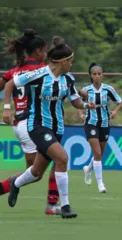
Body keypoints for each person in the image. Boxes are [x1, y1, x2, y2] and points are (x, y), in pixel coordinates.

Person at [2, 36, 95, 219]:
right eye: (70, 61)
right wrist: (6, 109)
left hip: (57, 129)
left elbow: (75, 101)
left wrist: (86, 105)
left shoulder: (68, 79)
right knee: (62, 158)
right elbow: (11, 83)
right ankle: (65, 206)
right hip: (37, 126)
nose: (71, 64)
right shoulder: (38, 74)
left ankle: (15, 184)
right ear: (63, 61)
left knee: (36, 172)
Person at [0, 29, 61, 215]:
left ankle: (51, 204)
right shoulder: (41, 71)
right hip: (31, 124)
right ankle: (51, 206)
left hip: (20, 124)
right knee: (47, 167)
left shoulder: (14, 71)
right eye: (45, 51)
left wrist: (8, 106)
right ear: (39, 50)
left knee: (39, 169)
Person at [78, 63, 122, 193]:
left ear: (102, 75)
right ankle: (100, 184)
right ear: (91, 76)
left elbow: (119, 102)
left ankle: (88, 169)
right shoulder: (86, 90)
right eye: (94, 74)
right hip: (91, 123)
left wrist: (114, 112)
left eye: (99, 74)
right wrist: (81, 113)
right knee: (97, 153)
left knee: (100, 154)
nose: (97, 76)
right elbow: (79, 103)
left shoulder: (108, 89)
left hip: (104, 124)